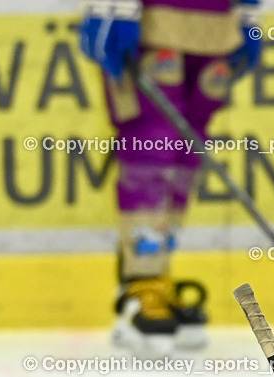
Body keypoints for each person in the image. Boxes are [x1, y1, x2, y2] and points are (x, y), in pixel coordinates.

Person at [79, 0, 262, 355]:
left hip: (217, 27)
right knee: (151, 145)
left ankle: (157, 276)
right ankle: (140, 282)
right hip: (151, 20)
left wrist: (248, 12)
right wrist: (111, 7)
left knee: (188, 151)